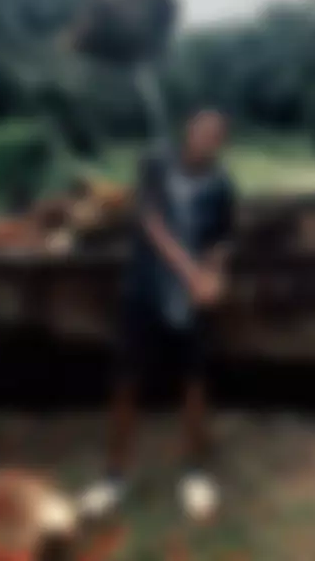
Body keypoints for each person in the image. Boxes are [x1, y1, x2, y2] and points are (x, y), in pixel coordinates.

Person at [78, 109, 237, 520]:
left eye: (216, 135)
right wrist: (193, 274)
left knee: (195, 383)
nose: (206, 139)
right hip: (145, 292)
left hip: (191, 300)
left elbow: (222, 240)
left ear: (222, 143)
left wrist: (215, 275)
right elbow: (152, 224)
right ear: (188, 130)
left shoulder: (222, 185)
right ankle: (113, 478)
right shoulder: (154, 164)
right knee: (126, 381)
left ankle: (195, 474)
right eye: (202, 130)